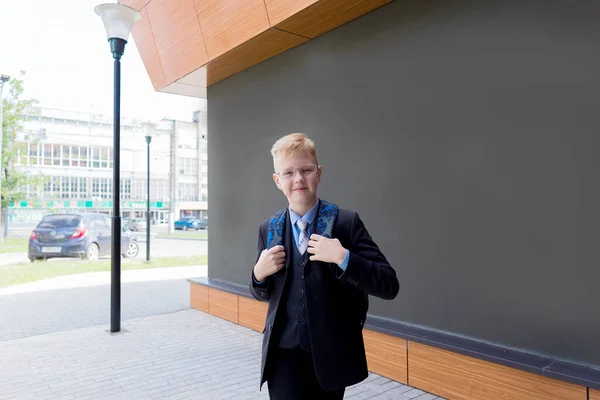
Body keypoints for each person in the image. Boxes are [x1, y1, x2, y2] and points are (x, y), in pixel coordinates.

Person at [249, 133, 400, 399]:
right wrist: (258, 275)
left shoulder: (345, 223)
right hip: (282, 356)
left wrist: (344, 258)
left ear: (318, 173)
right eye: (288, 173)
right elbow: (263, 292)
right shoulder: (268, 229)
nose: (298, 179)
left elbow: (388, 284)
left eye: (306, 170)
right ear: (277, 180)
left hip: (330, 356)